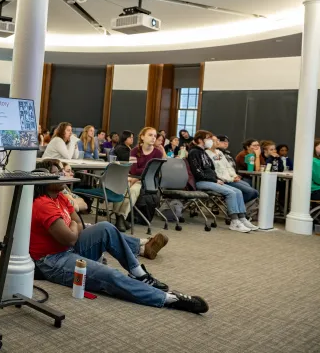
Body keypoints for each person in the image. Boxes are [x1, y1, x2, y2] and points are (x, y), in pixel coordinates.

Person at [30, 161, 207, 314]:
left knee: (106, 227)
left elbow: (79, 225)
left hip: (69, 249)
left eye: (61, 171)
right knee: (110, 275)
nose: (62, 175)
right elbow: (70, 238)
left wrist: (73, 227)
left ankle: (139, 273)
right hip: (52, 261)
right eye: (56, 173)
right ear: (42, 179)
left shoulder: (59, 196)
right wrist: (74, 227)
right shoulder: (43, 203)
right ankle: (168, 299)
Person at [188, 130, 258, 232]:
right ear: (200, 140)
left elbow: (211, 169)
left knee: (237, 192)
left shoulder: (203, 152)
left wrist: (216, 179)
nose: (210, 141)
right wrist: (214, 180)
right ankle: (234, 221)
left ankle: (242, 218)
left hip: (211, 180)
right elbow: (197, 172)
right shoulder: (194, 152)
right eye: (208, 138)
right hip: (201, 182)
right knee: (230, 192)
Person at [115, 127, 163, 232]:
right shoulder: (134, 151)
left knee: (133, 190)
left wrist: (138, 177)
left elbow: (152, 172)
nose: (153, 138)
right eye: (150, 135)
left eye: (155, 136)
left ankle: (121, 216)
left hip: (147, 182)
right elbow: (133, 169)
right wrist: (143, 171)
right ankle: (119, 217)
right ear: (142, 137)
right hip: (133, 177)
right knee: (122, 188)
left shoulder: (158, 153)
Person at [206, 135, 259, 205]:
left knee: (251, 189)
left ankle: (238, 208)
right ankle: (235, 207)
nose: (218, 142)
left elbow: (228, 167)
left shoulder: (221, 152)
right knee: (251, 192)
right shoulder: (207, 153)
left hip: (231, 177)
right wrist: (231, 178)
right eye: (216, 141)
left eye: (218, 140)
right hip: (224, 180)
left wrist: (234, 175)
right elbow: (217, 170)